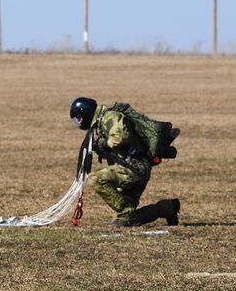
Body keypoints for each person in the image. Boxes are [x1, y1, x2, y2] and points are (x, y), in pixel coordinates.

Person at [69, 96, 180, 228]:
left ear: (86, 113)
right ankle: (167, 208)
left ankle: (125, 211)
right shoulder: (103, 121)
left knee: (95, 179)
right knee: (127, 218)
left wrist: (104, 143)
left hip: (134, 168)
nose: (79, 123)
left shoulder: (109, 117)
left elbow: (120, 137)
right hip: (138, 168)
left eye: (79, 119)